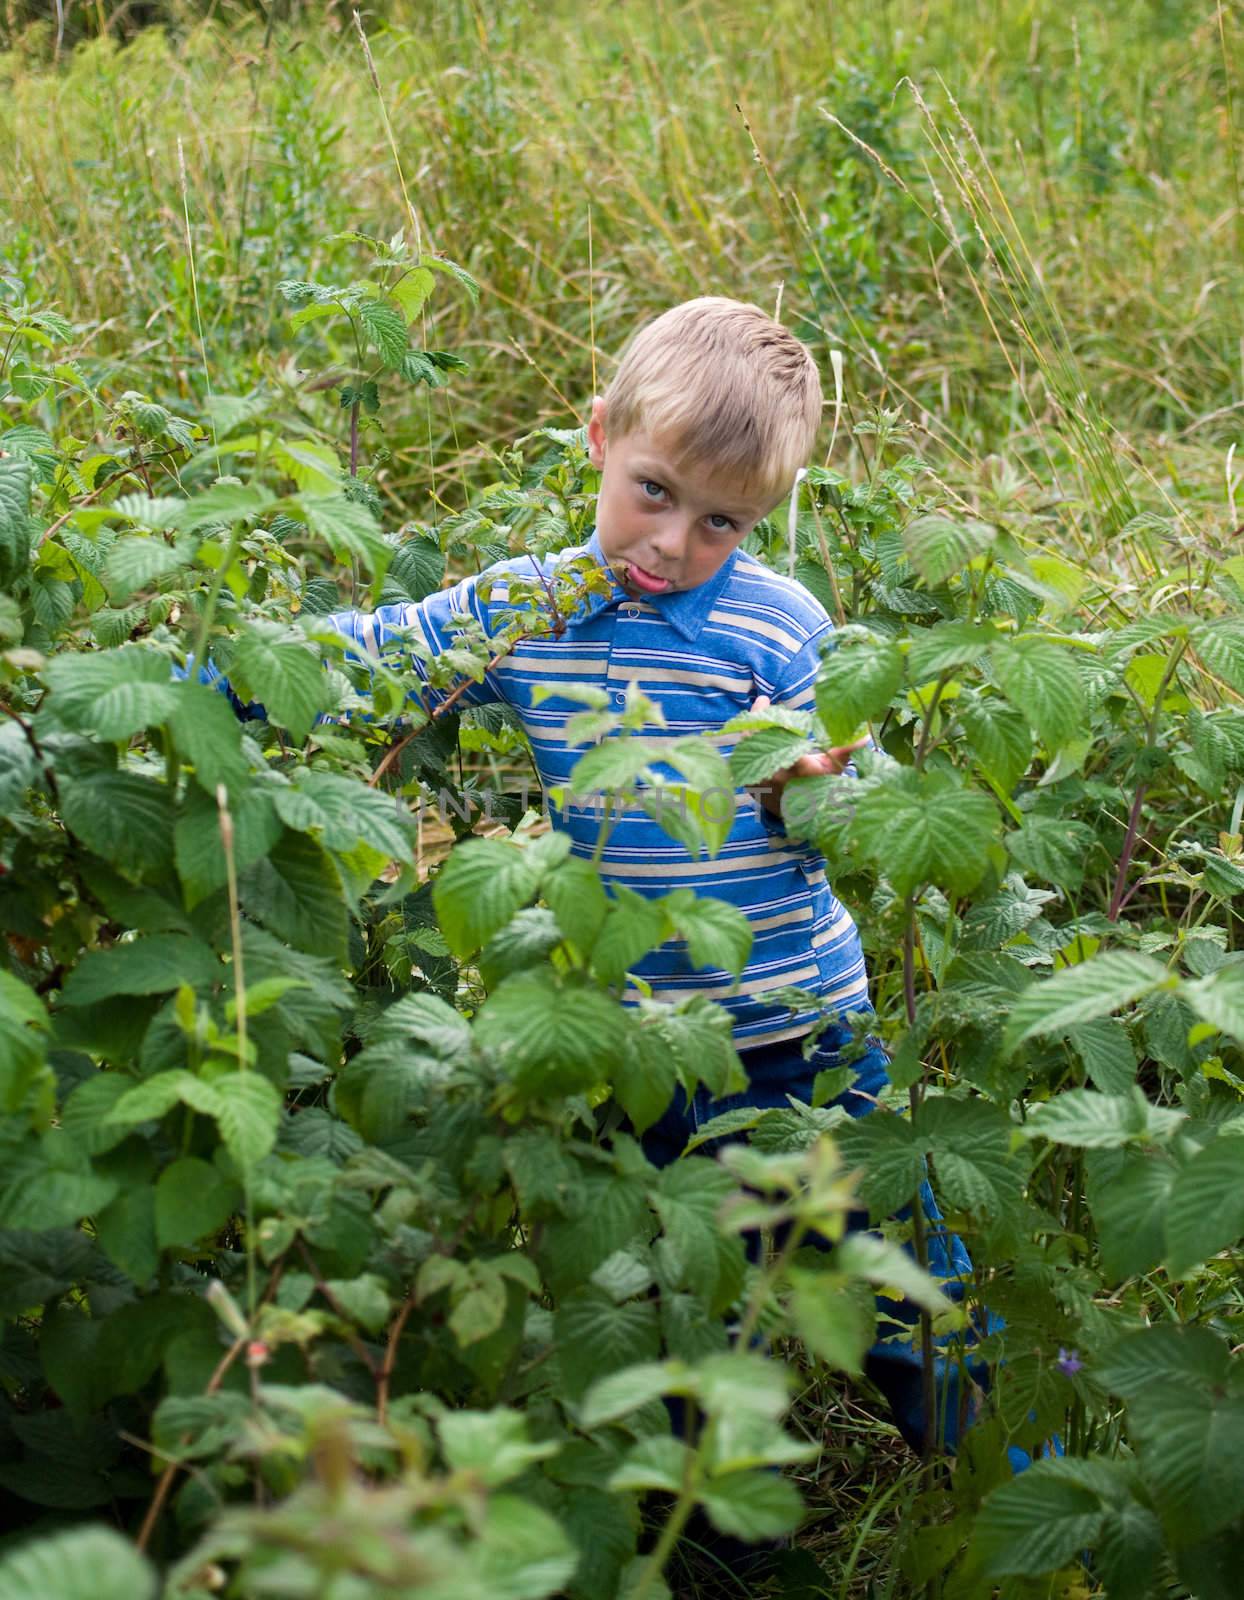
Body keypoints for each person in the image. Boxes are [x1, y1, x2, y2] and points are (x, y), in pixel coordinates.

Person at [202, 296, 990, 1456]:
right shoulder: (529, 609)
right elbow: (381, 654)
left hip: (795, 1032)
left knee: (896, 1282)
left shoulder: (778, 632)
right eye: (653, 491)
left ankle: (988, 1464)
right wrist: (220, 676)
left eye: (721, 522)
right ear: (598, 439)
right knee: (667, 1295)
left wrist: (813, 787)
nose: (671, 544)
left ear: (764, 516)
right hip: (633, 1042)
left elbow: (866, 802)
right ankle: (705, 1522)